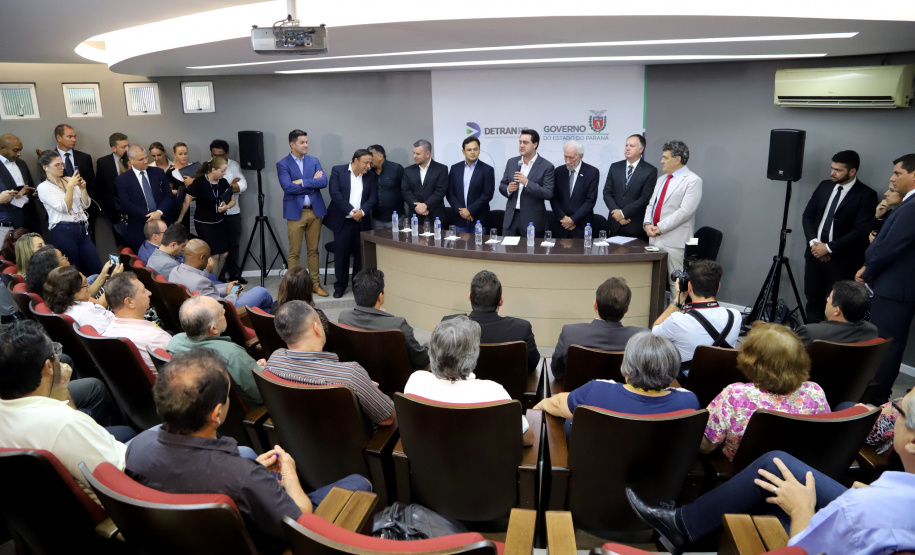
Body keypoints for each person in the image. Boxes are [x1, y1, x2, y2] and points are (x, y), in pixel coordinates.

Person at [126, 349, 370, 554]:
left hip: (193, 540)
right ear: (216, 414)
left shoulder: (137, 446)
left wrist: (253, 472)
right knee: (359, 483)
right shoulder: (242, 477)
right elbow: (301, 519)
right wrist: (290, 475)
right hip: (270, 542)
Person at [627, 388, 915, 555]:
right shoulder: (815, 391)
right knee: (775, 465)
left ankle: (682, 527)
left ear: (912, 442)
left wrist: (802, 509)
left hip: (853, 521)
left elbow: (803, 551)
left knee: (776, 497)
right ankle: (683, 527)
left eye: (898, 409)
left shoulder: (861, 509)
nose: (890, 411)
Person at [0, 320, 129, 499]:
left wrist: (60, 390)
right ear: (49, 367)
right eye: (54, 352)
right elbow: (122, 478)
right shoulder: (64, 423)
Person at [700, 322, 829, 461]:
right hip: (796, 471)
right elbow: (823, 438)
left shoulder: (735, 395)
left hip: (743, 472)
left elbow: (707, 447)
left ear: (752, 361)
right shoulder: (815, 392)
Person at [536, 332, 699, 437]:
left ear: (627, 367)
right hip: (659, 486)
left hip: (594, 481)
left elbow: (555, 404)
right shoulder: (689, 402)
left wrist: (536, 408)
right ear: (672, 369)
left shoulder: (597, 391)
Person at [404, 316, 534, 446]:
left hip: (429, 463)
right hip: (483, 464)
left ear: (431, 353)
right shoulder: (494, 393)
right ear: (473, 359)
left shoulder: (415, 382)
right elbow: (527, 439)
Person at [267, 300, 395, 426]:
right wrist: (361, 385)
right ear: (316, 328)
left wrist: (360, 385)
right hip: (352, 444)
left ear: (282, 336)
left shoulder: (274, 361)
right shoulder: (350, 374)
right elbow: (388, 418)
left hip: (298, 439)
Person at [856, 153, 915, 404]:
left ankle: (874, 401)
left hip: (895, 289)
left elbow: (888, 247)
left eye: (898, 173)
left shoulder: (912, 207)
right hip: (895, 286)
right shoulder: (906, 204)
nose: (892, 178)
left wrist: (867, 270)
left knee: (884, 347)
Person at [801, 151, 877, 323]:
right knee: (813, 301)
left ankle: (829, 346)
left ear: (852, 171)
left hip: (842, 261)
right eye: (832, 168)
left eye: (838, 170)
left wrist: (827, 248)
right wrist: (815, 244)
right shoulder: (824, 186)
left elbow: (860, 231)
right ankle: (810, 342)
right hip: (814, 255)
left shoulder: (866, 195)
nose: (832, 173)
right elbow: (808, 216)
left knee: (837, 307)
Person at [166, 295, 263, 407]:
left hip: (201, 409)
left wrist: (250, 366)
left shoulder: (175, 342)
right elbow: (262, 394)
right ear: (214, 329)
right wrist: (262, 370)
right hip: (249, 412)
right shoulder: (232, 354)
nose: (225, 310)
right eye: (221, 312)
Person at [651, 259, 741, 375]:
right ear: (718, 287)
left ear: (689, 286)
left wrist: (677, 301)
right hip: (722, 382)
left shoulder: (678, 320)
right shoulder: (735, 316)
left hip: (688, 384)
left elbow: (655, 332)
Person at [443, 270, 538, 374]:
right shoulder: (521, 328)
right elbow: (531, 365)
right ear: (501, 301)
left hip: (463, 388)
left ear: (470, 297)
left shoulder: (448, 325)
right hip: (510, 389)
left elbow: (441, 363)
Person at [551, 277, 645, 379]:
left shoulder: (570, 333)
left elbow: (557, 372)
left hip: (579, 394)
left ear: (595, 304)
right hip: (621, 394)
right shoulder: (642, 338)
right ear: (626, 310)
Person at [338, 268, 429, 369]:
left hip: (359, 377)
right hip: (396, 382)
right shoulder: (398, 325)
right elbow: (421, 360)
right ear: (380, 296)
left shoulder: (344, 318)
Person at [643, 140, 702, 291]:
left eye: (665, 157)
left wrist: (659, 228)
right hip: (654, 239)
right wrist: (647, 224)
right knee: (653, 283)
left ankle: (677, 314)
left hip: (675, 242)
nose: (661, 161)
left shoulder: (693, 181)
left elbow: (685, 212)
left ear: (677, 159)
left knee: (675, 284)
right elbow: (651, 204)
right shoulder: (661, 179)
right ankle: (659, 314)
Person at [278, 130, 328, 297]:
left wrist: (302, 182)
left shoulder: (314, 161)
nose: (306, 145)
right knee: (295, 252)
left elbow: (323, 181)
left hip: (314, 212)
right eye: (302, 142)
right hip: (295, 213)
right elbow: (287, 187)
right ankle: (293, 288)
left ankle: (315, 284)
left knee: (313, 251)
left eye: (307, 142)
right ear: (292, 144)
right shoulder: (283, 164)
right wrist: (312, 183)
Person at [36, 149, 102, 275]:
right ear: (45, 168)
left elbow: (86, 205)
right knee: (72, 270)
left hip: (82, 227)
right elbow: (64, 207)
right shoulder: (44, 187)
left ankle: (97, 292)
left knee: (95, 266)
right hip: (63, 230)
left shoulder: (69, 179)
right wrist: (71, 187)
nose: (62, 167)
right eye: (57, 165)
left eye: (62, 164)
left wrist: (83, 189)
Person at [323, 149, 377, 298]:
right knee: (341, 255)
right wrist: (353, 211)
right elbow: (335, 194)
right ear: (355, 161)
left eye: (370, 163)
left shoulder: (370, 176)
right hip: (343, 221)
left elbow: (373, 197)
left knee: (361, 256)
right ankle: (340, 286)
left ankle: (357, 286)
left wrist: (363, 211)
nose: (368, 166)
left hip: (362, 221)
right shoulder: (338, 171)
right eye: (366, 163)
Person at [169, 239, 273, 313]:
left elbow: (206, 293)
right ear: (202, 258)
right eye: (208, 258)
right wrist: (233, 294)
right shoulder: (200, 281)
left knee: (255, 301)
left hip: (199, 307)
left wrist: (227, 289)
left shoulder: (175, 271)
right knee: (261, 291)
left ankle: (266, 315)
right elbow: (222, 307)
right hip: (224, 313)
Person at [101, 273, 172, 375]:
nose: (149, 293)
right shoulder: (156, 338)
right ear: (129, 302)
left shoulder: (108, 332)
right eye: (143, 291)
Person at [178, 157, 235, 277]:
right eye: (222, 170)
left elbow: (232, 201)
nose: (224, 173)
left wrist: (226, 207)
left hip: (220, 221)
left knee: (224, 253)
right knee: (214, 255)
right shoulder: (199, 182)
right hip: (204, 223)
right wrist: (180, 219)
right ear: (213, 169)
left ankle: (216, 278)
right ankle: (213, 281)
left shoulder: (223, 182)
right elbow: (186, 202)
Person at [115, 145, 176, 252]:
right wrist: (149, 216)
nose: (145, 161)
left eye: (146, 158)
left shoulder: (158, 172)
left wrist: (159, 212)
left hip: (164, 224)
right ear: (131, 160)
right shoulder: (123, 180)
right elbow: (126, 204)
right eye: (141, 159)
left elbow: (169, 196)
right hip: (140, 228)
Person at [499, 129, 555, 237]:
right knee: (508, 252)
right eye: (520, 142)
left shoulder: (546, 166)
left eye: (525, 143)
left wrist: (527, 183)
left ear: (535, 144)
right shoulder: (512, 162)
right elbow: (502, 185)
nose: (521, 145)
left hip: (532, 220)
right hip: (511, 219)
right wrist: (508, 189)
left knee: (531, 252)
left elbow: (548, 193)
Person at [603, 134, 658, 240]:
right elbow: (607, 193)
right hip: (615, 225)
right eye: (626, 145)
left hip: (635, 226)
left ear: (641, 149)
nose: (627, 148)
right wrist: (617, 214)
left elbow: (645, 198)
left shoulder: (650, 170)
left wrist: (623, 213)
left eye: (632, 146)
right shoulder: (615, 167)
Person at [794, 280, 878, 348]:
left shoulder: (810, 333)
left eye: (829, 298)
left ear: (837, 310)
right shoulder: (871, 330)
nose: (827, 299)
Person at [210, 139, 248, 283]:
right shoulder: (208, 166)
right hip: (214, 215)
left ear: (227, 153)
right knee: (218, 248)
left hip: (233, 213)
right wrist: (231, 186)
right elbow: (210, 190)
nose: (217, 158)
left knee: (233, 245)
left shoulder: (234, 165)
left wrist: (228, 188)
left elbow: (243, 185)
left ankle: (234, 275)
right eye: (214, 155)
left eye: (221, 155)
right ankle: (219, 277)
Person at [53, 124, 97, 238]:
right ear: (59, 137)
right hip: (62, 215)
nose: (74, 140)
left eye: (75, 136)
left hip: (84, 213)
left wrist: (84, 203)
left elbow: (92, 185)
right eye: (69, 137)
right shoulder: (49, 159)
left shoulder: (84, 158)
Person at [549, 140, 598, 239]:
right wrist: (563, 219)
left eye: (571, 157)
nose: (567, 161)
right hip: (561, 225)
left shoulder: (592, 172)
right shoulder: (558, 171)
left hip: (582, 226)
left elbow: (590, 201)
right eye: (565, 156)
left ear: (581, 156)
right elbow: (554, 198)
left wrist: (572, 220)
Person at [44, 266, 116, 332]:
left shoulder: (58, 305)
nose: (88, 286)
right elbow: (108, 337)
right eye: (85, 284)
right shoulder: (87, 315)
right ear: (72, 291)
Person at [447, 137, 494, 233]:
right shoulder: (455, 168)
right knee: (459, 247)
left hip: (478, 220)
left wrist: (470, 210)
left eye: (475, 149)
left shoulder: (487, 169)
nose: (472, 152)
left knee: (478, 247)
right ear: (463, 152)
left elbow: (487, 194)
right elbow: (450, 193)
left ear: (479, 150)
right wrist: (461, 211)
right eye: (469, 150)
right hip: (459, 220)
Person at [271, 265, 330, 342]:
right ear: (308, 289)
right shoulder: (317, 316)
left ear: (283, 286)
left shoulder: (274, 308)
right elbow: (329, 342)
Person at [401, 139, 449, 228]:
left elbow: (441, 191)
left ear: (427, 154)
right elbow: (406, 191)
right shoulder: (408, 170)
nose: (414, 156)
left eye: (418, 154)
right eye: (413, 153)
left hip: (436, 217)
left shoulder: (441, 169)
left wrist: (426, 205)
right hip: (415, 217)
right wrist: (419, 207)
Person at [0, 133, 38, 235]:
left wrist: (31, 192)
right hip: (6, 221)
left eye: (20, 150)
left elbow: (30, 184)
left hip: (28, 218)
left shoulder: (21, 163)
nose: (19, 154)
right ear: (2, 148)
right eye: (15, 150)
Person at [95, 132, 130, 226]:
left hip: (131, 206)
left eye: (128, 146)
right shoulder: (103, 162)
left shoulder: (132, 160)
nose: (127, 149)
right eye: (123, 147)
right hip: (113, 208)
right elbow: (100, 186)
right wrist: (104, 207)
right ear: (113, 148)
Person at [367, 144, 405, 230]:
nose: (368, 159)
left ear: (380, 156)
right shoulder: (368, 172)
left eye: (371, 156)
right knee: (378, 242)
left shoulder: (396, 168)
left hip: (396, 217)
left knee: (396, 242)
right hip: (376, 218)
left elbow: (406, 189)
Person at [168, 142, 196, 232]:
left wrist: (193, 180)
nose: (183, 156)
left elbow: (205, 183)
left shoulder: (195, 168)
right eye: (180, 154)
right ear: (174, 155)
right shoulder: (170, 172)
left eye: (185, 154)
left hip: (197, 207)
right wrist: (179, 191)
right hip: (180, 208)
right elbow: (169, 192)